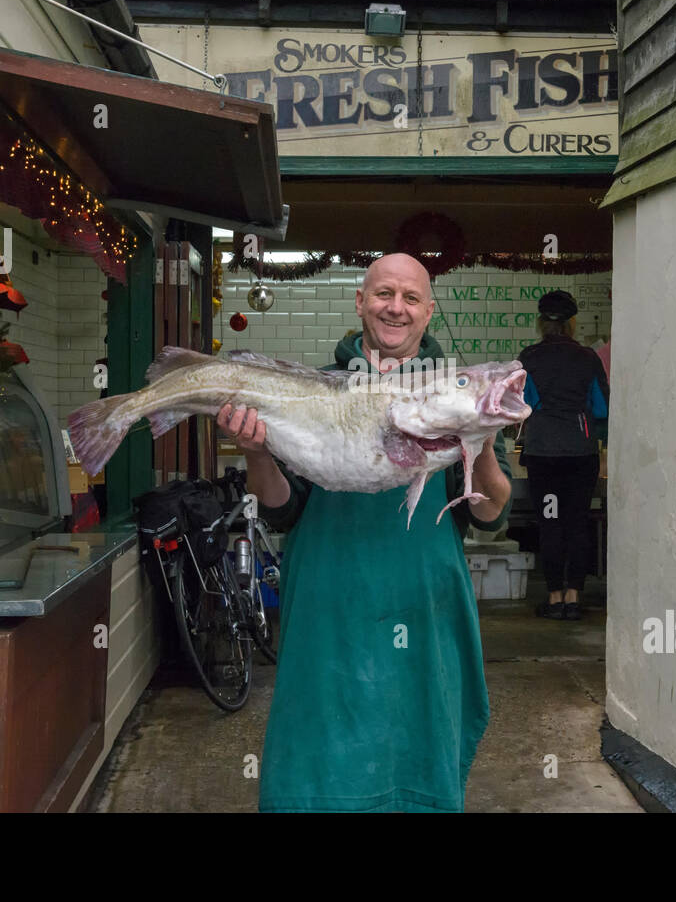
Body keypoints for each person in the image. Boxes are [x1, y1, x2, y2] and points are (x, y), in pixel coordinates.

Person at [216, 252, 512, 812]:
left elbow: (491, 514)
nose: (395, 308)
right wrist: (256, 453)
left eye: (410, 298)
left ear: (428, 312)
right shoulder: (312, 390)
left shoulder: (456, 391)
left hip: (426, 603)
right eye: (383, 294)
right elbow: (281, 511)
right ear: (360, 303)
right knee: (322, 744)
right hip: (331, 603)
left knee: (420, 737)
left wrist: (483, 441)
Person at [516, 290, 609, 622]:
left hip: (543, 454)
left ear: (541, 323)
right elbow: (601, 408)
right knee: (577, 523)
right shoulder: (588, 358)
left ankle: (554, 597)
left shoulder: (527, 358)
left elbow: (520, 406)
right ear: (572, 323)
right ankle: (573, 597)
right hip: (581, 454)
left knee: (550, 522)